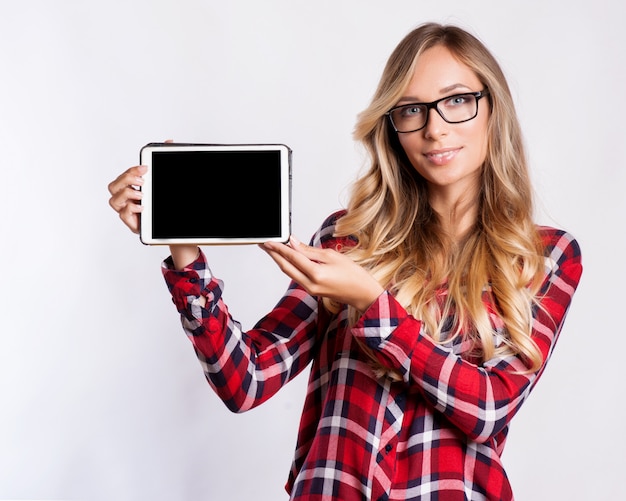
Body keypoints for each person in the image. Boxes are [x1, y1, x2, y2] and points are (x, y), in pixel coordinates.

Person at [108, 22, 582, 501]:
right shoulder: (346, 240)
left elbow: (488, 410)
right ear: (393, 126)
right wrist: (182, 249)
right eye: (412, 109)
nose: (435, 128)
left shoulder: (546, 256)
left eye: (457, 100)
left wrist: (372, 303)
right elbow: (245, 381)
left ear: (492, 108)